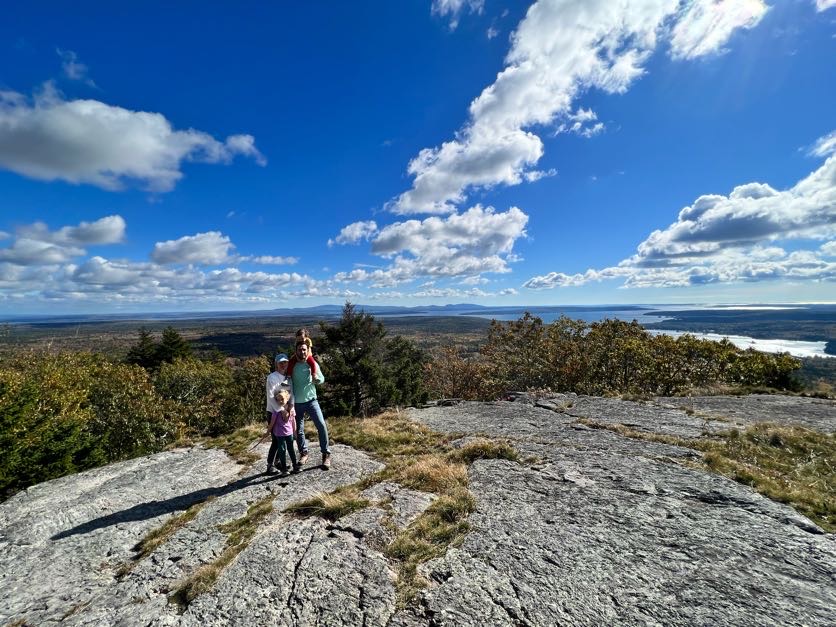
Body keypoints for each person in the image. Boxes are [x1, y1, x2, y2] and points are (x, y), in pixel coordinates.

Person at [289, 340, 331, 469]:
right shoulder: (293, 365)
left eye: (304, 350)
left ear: (308, 351)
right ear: (295, 351)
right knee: (299, 430)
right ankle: (303, 453)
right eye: (300, 349)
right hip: (297, 403)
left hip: (312, 401)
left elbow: (322, 378)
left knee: (321, 425)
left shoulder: (312, 364)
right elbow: (287, 380)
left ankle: (326, 454)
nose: (302, 352)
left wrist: (317, 379)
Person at [265, 388, 300, 476]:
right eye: (278, 400)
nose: (280, 401)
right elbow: (271, 424)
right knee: (282, 450)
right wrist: (267, 432)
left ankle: (295, 466)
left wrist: (295, 432)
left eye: (282, 399)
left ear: (287, 398)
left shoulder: (291, 410)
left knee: (291, 449)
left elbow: (293, 421)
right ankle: (284, 469)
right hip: (279, 435)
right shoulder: (276, 412)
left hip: (289, 433)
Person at [266, 353, 294, 423]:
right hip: (274, 412)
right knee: (276, 434)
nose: (283, 364)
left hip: (287, 411)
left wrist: (291, 407)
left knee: (289, 433)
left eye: (285, 362)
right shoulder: (272, 377)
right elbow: (271, 396)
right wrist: (282, 410)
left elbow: (291, 394)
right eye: (280, 363)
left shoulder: (288, 377)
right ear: (276, 364)